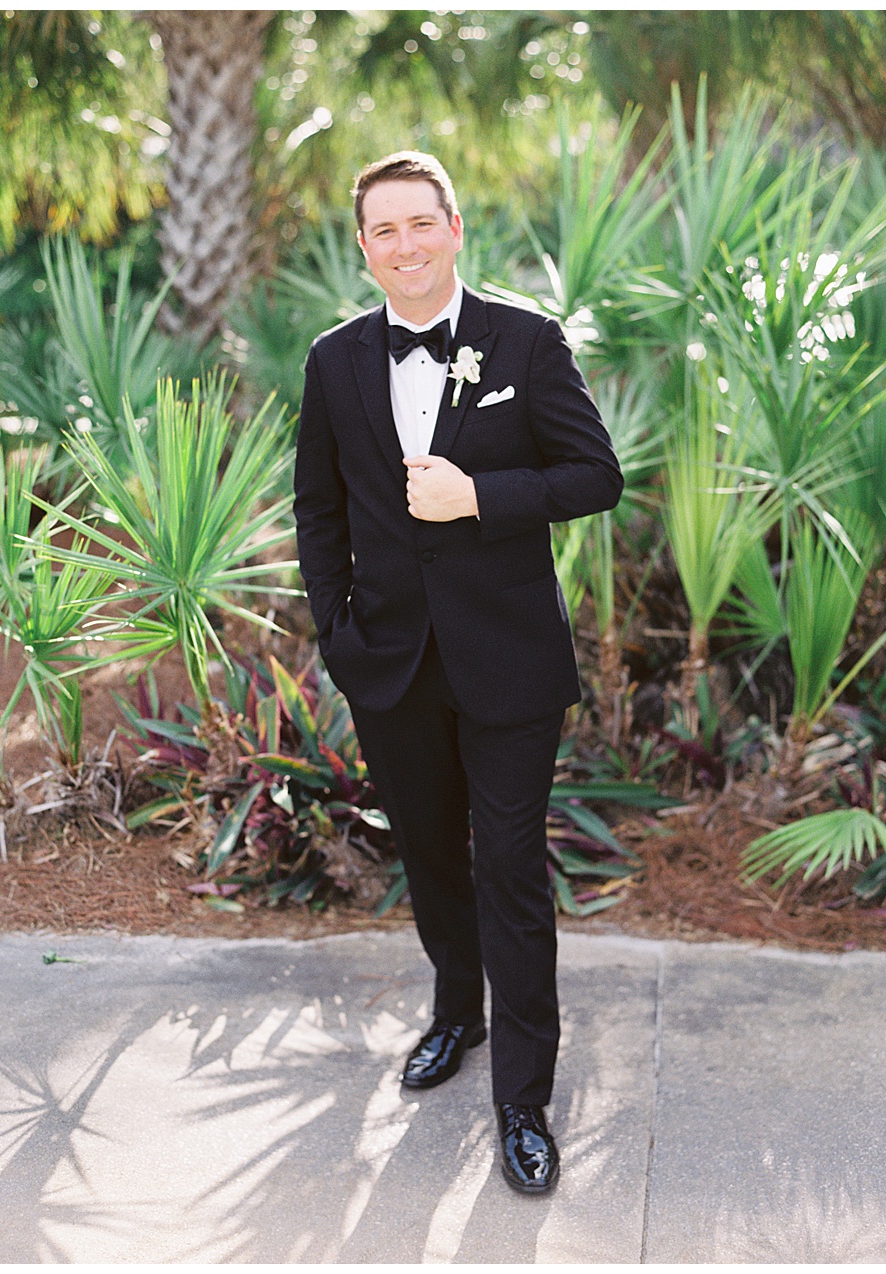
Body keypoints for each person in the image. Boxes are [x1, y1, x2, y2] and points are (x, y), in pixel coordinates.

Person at [293, 152, 622, 1195]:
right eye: (382, 230)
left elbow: (594, 476)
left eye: (419, 224)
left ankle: (522, 1097)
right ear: (364, 248)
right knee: (431, 855)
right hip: (387, 661)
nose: (404, 244)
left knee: (510, 868)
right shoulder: (334, 359)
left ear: (455, 227)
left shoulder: (524, 338)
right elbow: (319, 508)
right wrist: (338, 630)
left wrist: (479, 495)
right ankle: (455, 1011)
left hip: (510, 659)